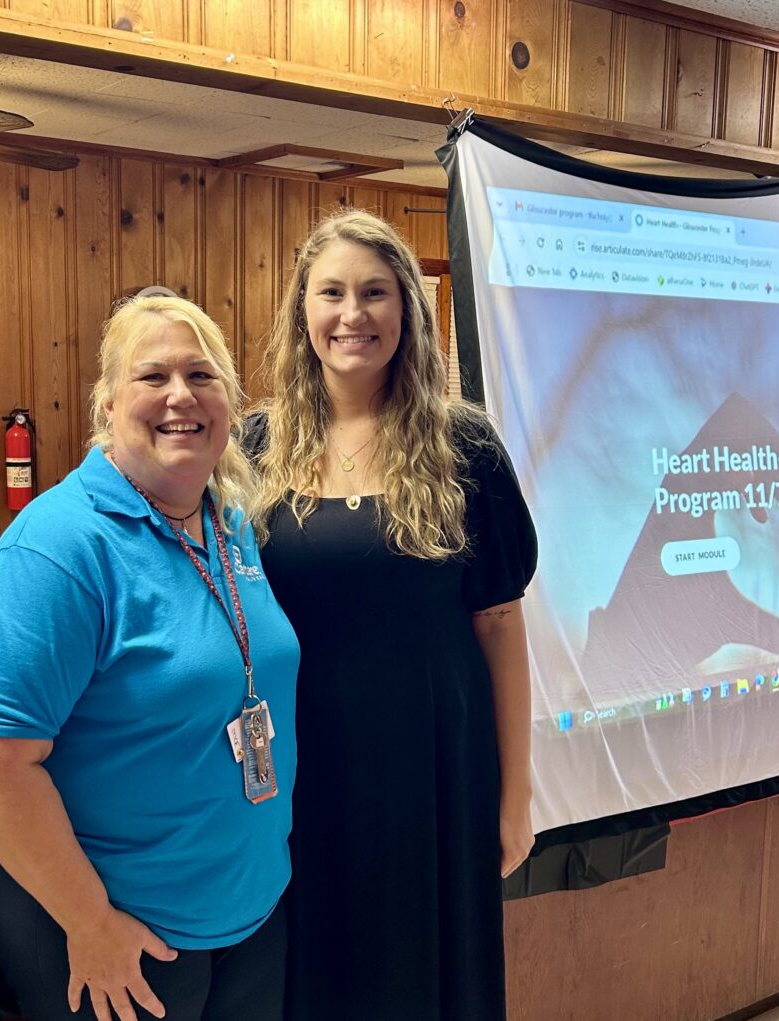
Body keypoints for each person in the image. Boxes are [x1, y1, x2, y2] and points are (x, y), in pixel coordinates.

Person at [0, 296, 300, 1021]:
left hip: (247, 918)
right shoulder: (59, 547)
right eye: (152, 376)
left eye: (202, 374)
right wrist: (89, 922)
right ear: (107, 405)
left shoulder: (227, 525)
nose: (180, 396)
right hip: (121, 939)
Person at [244, 210, 538, 1021]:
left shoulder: (463, 446)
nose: (353, 314)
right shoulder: (254, 448)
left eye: (375, 292)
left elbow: (502, 630)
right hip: (303, 767)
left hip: (435, 766)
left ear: (407, 308)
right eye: (331, 292)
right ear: (302, 311)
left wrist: (515, 796)